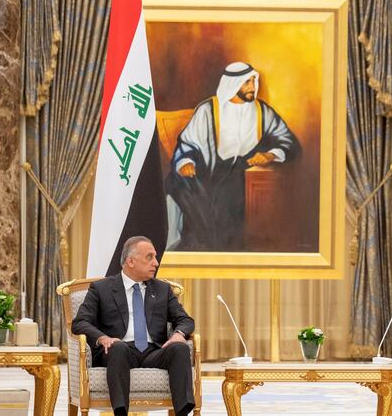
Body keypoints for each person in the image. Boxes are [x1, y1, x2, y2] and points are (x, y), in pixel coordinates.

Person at [165, 61, 300, 251]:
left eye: (254, 81)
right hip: (207, 169)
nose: (253, 87)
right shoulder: (208, 110)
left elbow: (288, 141)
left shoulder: (262, 112)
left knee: (229, 199)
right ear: (233, 84)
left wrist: (270, 155)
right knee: (178, 183)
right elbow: (187, 143)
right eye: (247, 83)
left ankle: (219, 248)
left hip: (241, 172)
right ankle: (197, 247)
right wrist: (186, 161)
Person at [72, 236, 195, 416]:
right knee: (118, 348)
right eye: (149, 257)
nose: (156, 262)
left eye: (155, 257)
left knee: (179, 348)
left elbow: (186, 320)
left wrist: (178, 334)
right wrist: (103, 338)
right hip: (119, 351)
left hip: (154, 351)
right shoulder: (102, 288)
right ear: (130, 261)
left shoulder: (162, 289)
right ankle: (121, 413)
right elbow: (80, 322)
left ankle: (183, 412)